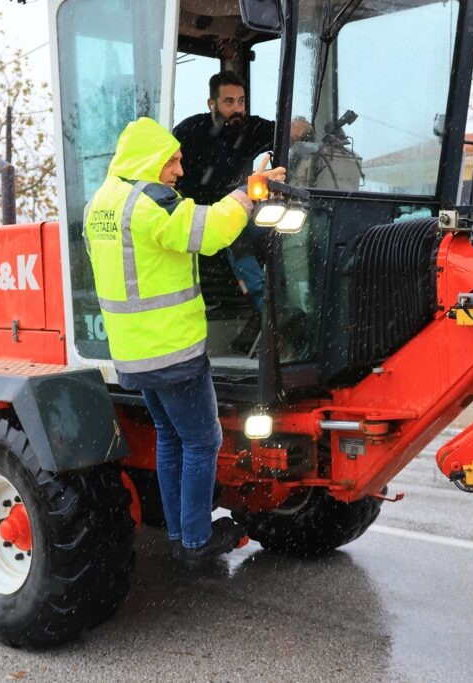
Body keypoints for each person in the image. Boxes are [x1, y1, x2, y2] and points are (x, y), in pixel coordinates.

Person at [83, 117, 285, 567]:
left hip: (134, 353)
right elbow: (210, 232)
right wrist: (250, 190)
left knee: (171, 438)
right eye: (171, 161)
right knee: (201, 441)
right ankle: (194, 540)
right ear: (148, 161)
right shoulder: (150, 203)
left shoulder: (103, 202)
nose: (178, 171)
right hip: (172, 351)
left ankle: (179, 532)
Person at [174, 71, 311, 353]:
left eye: (241, 101)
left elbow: (287, 131)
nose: (238, 109)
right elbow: (169, 171)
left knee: (285, 229)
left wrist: (300, 127)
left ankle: (285, 310)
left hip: (245, 212)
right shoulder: (189, 133)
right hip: (206, 219)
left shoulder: (250, 127)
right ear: (211, 103)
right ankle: (273, 316)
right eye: (229, 102)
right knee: (237, 238)